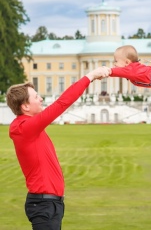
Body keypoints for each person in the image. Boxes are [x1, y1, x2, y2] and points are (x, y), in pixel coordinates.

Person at [6, 66, 111, 230]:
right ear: (25, 106)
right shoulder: (25, 128)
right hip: (43, 204)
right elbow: (62, 103)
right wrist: (90, 76)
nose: (41, 99)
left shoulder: (30, 129)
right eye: (36, 97)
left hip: (51, 203)